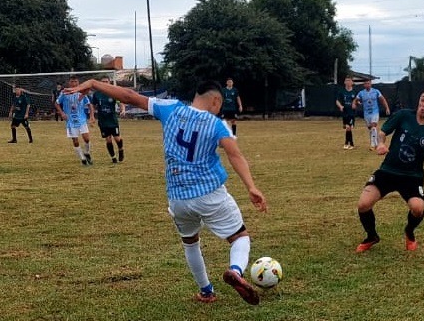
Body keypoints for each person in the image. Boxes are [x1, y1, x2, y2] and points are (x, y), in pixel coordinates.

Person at [65, 77, 267, 305]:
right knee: (239, 236)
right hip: (210, 193)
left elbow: (128, 96)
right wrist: (251, 186)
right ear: (216, 100)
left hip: (178, 197)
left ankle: (206, 291)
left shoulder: (170, 108)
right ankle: (236, 271)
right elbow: (235, 155)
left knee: (190, 242)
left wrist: (93, 83)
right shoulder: (217, 124)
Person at [355, 86, 424, 252]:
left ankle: (409, 232)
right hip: (387, 171)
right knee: (363, 205)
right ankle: (372, 236)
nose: (423, 104)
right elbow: (382, 132)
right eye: (422, 100)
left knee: (418, 209)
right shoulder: (403, 116)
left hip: (412, 177)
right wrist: (380, 143)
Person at [55, 75, 94, 165]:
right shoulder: (64, 93)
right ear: (69, 82)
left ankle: (87, 153)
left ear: (78, 83)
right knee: (75, 141)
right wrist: (62, 113)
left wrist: (92, 116)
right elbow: (56, 103)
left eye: (75, 82)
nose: (74, 83)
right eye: (72, 82)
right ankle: (82, 159)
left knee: (87, 139)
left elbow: (89, 105)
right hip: (70, 121)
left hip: (82, 120)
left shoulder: (81, 93)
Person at [91, 75, 125, 163]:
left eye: (106, 82)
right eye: (103, 82)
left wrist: (123, 110)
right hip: (102, 121)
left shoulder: (113, 93)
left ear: (109, 83)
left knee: (117, 138)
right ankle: (113, 157)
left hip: (112, 120)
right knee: (108, 139)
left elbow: (120, 102)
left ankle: (121, 149)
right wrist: (92, 116)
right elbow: (92, 105)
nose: (104, 83)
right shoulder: (97, 94)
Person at [355, 79, 390, 150]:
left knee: (373, 126)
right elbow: (356, 100)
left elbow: (382, 100)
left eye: (368, 83)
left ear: (371, 84)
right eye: (366, 83)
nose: (367, 85)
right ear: (364, 85)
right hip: (366, 114)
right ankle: (376, 143)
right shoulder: (361, 93)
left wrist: (387, 108)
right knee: (370, 128)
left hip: (375, 112)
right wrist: (357, 103)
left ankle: (372, 144)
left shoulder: (376, 91)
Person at [335, 75, 357, 149]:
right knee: (347, 128)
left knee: (348, 127)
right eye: (346, 80)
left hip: (351, 113)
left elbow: (357, 100)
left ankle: (347, 143)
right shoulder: (341, 91)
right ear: (344, 82)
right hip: (345, 112)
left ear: (352, 82)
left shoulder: (354, 92)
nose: (348, 82)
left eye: (349, 80)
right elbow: (337, 101)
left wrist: (356, 103)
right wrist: (340, 106)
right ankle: (351, 144)